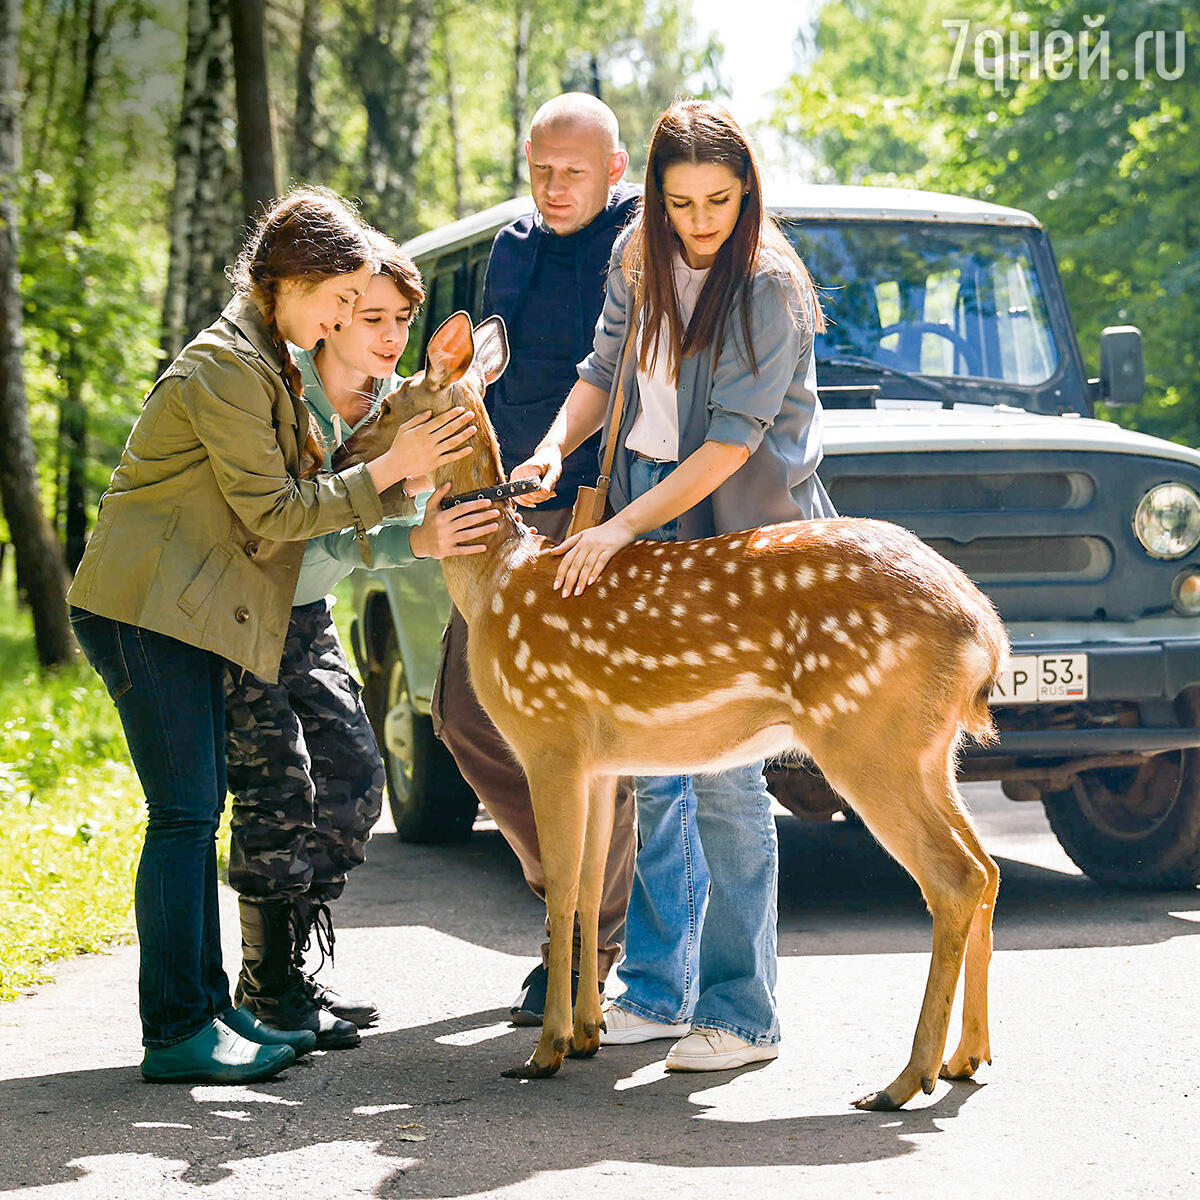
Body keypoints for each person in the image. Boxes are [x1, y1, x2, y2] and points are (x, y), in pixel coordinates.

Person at [67, 187, 479, 1085]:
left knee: (198, 811)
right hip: (142, 613)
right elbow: (274, 508)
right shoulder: (226, 368)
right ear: (289, 283)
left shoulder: (266, 364)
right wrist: (396, 473)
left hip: (185, 608)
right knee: (184, 816)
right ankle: (180, 1029)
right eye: (339, 301)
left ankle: (220, 1010)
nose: (343, 319)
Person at [512, 100, 834, 1071]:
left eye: (720, 201)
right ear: (650, 195)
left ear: (749, 195)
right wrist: (548, 447)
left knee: (729, 777)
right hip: (651, 497)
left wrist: (611, 529)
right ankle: (658, 986)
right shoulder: (634, 261)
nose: (701, 222)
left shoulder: (767, 290)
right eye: (681, 200)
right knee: (651, 763)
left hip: (739, 527)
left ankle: (743, 1013)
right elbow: (603, 372)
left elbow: (733, 444)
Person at [226, 233, 501, 1050]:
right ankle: (269, 991)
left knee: (353, 774)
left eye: (399, 321)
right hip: (248, 608)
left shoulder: (391, 410)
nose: (385, 335)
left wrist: (427, 505)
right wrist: (397, 515)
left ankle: (287, 971)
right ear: (329, 318)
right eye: (366, 314)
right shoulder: (281, 397)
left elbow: (378, 517)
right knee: (277, 789)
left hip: (306, 612)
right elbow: (281, 530)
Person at [430, 92, 641, 1025]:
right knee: (461, 712)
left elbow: (629, 376)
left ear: (615, 172)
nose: (556, 189)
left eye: (575, 174)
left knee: (598, 746)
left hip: (591, 514)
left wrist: (583, 482)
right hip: (495, 511)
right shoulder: (511, 249)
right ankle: (561, 892)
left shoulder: (640, 244)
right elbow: (486, 371)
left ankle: (586, 947)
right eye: (542, 171)